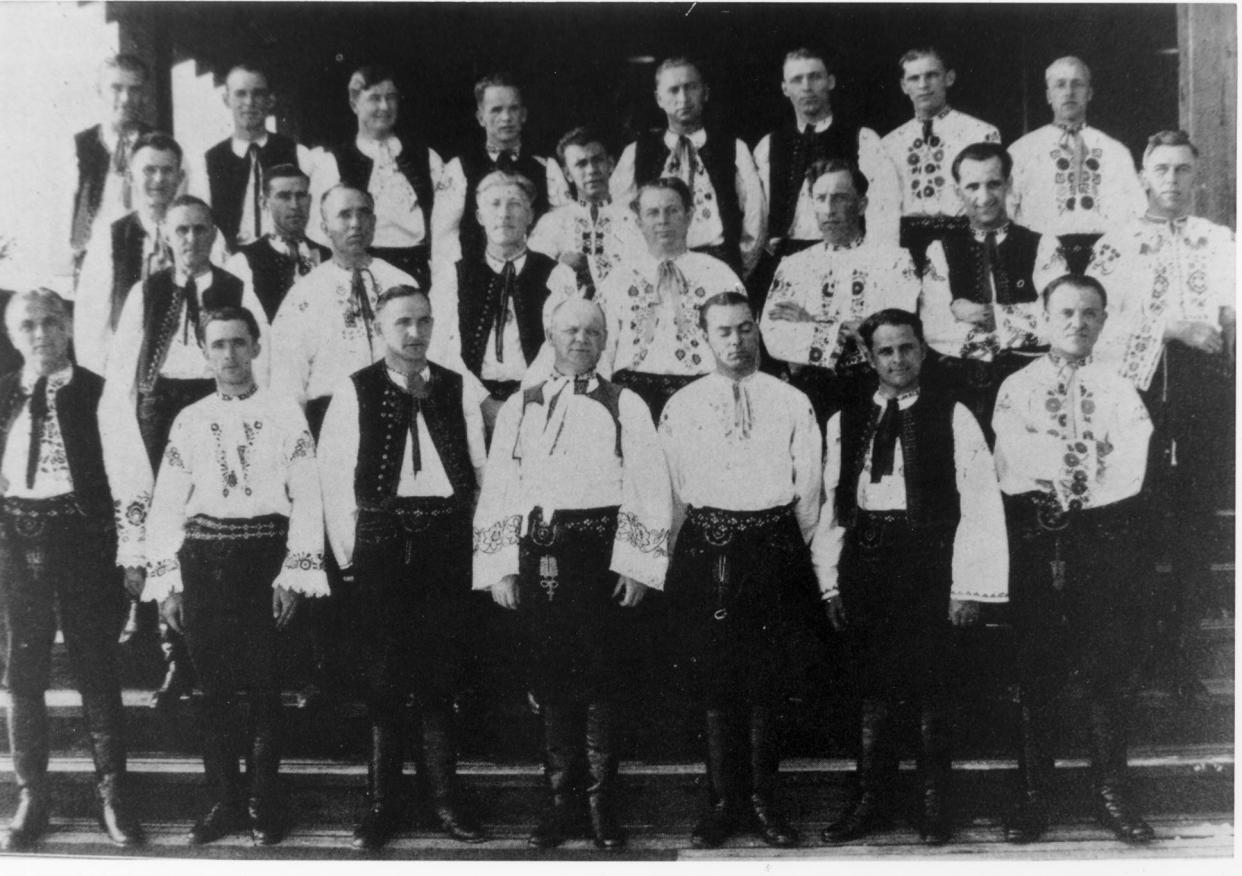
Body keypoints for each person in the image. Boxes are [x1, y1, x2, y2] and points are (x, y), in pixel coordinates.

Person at [474, 298, 671, 850]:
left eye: (592, 331)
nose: (580, 339)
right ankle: (562, 807)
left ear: (606, 339)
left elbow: (649, 484)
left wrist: (637, 564)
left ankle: (601, 807)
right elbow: (501, 489)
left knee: (603, 676)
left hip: (602, 555)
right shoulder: (521, 405)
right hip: (543, 555)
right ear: (549, 335)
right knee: (552, 675)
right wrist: (500, 568)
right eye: (569, 330)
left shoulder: (624, 403)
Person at [813, 308, 1007, 846]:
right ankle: (871, 800)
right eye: (885, 351)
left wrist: (969, 585)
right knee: (872, 684)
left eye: (906, 348)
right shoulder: (846, 420)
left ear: (923, 351)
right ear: (870, 358)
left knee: (929, 683)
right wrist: (829, 578)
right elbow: (833, 502)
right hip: (867, 560)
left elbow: (981, 500)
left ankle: (931, 803)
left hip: (929, 562)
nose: (897, 359)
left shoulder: (953, 414)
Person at [142, 306, 328, 846]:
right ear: (205, 352)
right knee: (214, 691)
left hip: (265, 562)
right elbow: (167, 505)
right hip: (204, 564)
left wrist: (295, 572)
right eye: (218, 344)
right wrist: (168, 581)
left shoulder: (284, 413)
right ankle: (224, 800)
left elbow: (308, 495)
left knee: (266, 689)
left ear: (255, 348)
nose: (229, 354)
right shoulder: (190, 419)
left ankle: (263, 802)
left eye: (238, 343)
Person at [318, 285, 488, 849]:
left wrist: (480, 547)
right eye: (402, 324)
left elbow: (480, 471)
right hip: (382, 545)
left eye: (422, 321)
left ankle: (445, 801)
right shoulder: (354, 390)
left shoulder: (456, 387)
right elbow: (336, 478)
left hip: (445, 539)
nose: (414, 334)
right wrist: (349, 558)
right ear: (381, 328)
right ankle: (381, 807)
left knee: (440, 676)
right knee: (385, 677)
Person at [992, 275, 1155, 844]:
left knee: (1107, 665)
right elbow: (1014, 456)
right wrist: (1078, 457)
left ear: (1104, 321)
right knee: (1037, 669)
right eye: (1065, 311)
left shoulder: (1120, 387)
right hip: (1041, 537)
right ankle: (1035, 796)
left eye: (1090, 313)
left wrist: (1069, 464)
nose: (1077, 323)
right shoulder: (1017, 385)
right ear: (1043, 316)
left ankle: (1111, 794)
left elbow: (1131, 456)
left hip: (1103, 537)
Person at [659, 292, 822, 849]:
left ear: (759, 331)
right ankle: (723, 801)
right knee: (717, 679)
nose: (736, 340)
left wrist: (772, 545)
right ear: (705, 337)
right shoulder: (682, 405)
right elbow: (674, 491)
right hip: (708, 550)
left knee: (766, 679)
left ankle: (763, 800)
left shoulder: (792, 401)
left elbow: (809, 494)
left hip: (772, 547)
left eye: (746, 328)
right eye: (724, 331)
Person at [99, 195, 269, 708]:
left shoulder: (237, 288)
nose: (191, 240)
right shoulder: (145, 291)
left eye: (200, 229)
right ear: (166, 236)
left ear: (214, 233)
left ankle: (222, 655)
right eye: (181, 231)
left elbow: (262, 357)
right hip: (160, 407)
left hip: (214, 401)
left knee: (211, 523)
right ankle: (176, 657)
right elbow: (123, 367)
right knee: (164, 523)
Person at [1087, 129, 1236, 699]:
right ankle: (1138, 657)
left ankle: (1185, 660)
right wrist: (1170, 327)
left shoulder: (1218, 240)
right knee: (1140, 527)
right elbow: (1094, 324)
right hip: (1139, 396)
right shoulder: (1117, 244)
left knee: (1196, 531)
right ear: (1144, 177)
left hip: (1205, 401)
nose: (1172, 180)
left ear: (1196, 177)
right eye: (1163, 170)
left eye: (1183, 170)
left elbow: (1232, 316)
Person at [0, 289, 143, 850]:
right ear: (13, 336)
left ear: (69, 327)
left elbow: (132, 478)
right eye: (28, 326)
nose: (41, 335)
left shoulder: (98, 394)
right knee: (23, 670)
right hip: (16, 542)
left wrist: (133, 554)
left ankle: (115, 799)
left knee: (95, 666)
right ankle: (33, 796)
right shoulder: (5, 394)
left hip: (83, 542)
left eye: (52, 323)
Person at [920, 142, 1067, 443]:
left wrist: (987, 316)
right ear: (957, 190)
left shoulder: (1044, 246)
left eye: (993, 184)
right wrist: (1021, 319)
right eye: (972, 186)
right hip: (959, 383)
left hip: (1029, 379)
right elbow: (933, 328)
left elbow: (1058, 320)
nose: (983, 197)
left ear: (1009, 185)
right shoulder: (940, 250)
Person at [760, 158, 919, 428]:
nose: (829, 209)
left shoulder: (894, 261)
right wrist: (851, 331)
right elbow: (775, 338)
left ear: (861, 204)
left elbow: (892, 334)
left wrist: (811, 324)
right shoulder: (793, 265)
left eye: (840, 197)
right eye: (821, 198)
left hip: (874, 392)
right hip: (809, 394)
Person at [428, 171, 576, 434]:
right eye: (494, 204)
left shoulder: (556, 274)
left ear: (530, 216)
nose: (504, 213)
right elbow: (441, 346)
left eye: (515, 204)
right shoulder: (454, 276)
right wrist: (482, 402)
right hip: (469, 403)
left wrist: (523, 401)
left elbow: (559, 345)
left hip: (537, 401)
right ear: (479, 217)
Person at [752, 47, 901, 306]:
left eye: (815, 77)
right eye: (797, 80)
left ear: (830, 82)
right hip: (783, 263)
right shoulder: (769, 145)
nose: (807, 86)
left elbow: (883, 214)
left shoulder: (862, 139)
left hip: (845, 259)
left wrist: (874, 267)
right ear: (785, 88)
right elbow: (756, 216)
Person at [270, 184, 417, 438]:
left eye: (363, 214)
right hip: (332, 425)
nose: (355, 223)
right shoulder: (304, 295)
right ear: (325, 227)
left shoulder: (401, 283)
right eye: (344, 215)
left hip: (398, 417)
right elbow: (288, 387)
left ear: (374, 221)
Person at [595, 178, 747, 421]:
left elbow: (739, 343)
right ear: (638, 222)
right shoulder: (618, 279)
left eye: (672, 211)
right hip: (633, 394)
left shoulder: (719, 275)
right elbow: (602, 348)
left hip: (701, 394)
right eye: (652, 213)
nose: (662, 220)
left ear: (688, 217)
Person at [74, 132, 225, 375]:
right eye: (149, 170)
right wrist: (109, 381)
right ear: (131, 176)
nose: (158, 179)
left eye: (167, 170)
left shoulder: (207, 235)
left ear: (180, 177)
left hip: (196, 371)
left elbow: (222, 306)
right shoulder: (109, 239)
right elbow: (90, 327)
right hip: (128, 373)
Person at [610, 57, 766, 278]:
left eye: (691, 87)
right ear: (659, 98)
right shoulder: (636, 153)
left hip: (719, 264)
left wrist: (737, 267)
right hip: (658, 266)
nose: (683, 98)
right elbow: (621, 217)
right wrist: (643, 263)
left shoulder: (733, 148)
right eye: (673, 90)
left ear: (705, 92)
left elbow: (754, 216)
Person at [1007, 57, 1146, 273]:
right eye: (1060, 84)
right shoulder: (1022, 150)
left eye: (1077, 84)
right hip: (1042, 258)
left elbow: (1137, 213)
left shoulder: (1115, 151)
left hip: (1103, 259)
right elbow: (1006, 212)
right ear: (1048, 95)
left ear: (1090, 93)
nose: (1069, 92)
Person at [309, 66, 441, 289]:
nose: (384, 106)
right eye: (374, 99)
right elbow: (319, 232)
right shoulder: (333, 162)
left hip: (420, 270)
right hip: (361, 272)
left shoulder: (425, 157)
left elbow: (443, 222)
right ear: (354, 104)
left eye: (391, 98)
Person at [881, 47, 1000, 271]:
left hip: (962, 236)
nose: (923, 85)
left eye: (932, 75)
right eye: (914, 78)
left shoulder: (980, 133)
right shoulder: (889, 143)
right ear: (904, 86)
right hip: (906, 242)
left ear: (949, 78)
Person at [432, 73, 564, 270]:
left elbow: (564, 224)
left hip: (535, 274)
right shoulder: (460, 168)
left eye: (513, 109)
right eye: (496, 110)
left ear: (524, 115)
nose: (506, 118)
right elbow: (444, 234)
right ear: (480, 117)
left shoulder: (545, 168)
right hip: (476, 276)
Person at [191, 64, 315, 251]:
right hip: (231, 264)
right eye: (240, 94)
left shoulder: (298, 154)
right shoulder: (208, 161)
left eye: (258, 94)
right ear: (227, 99)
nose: (249, 102)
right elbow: (201, 221)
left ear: (270, 100)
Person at [528, 127, 646, 299]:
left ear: (610, 164)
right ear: (568, 173)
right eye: (581, 164)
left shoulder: (634, 219)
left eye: (597, 160)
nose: (591, 170)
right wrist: (563, 266)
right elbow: (534, 275)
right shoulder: (553, 222)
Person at [66, 54, 152, 281]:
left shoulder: (160, 145)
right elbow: (66, 211)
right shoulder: (80, 146)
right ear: (99, 90)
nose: (125, 98)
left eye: (135, 90)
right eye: (116, 88)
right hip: (94, 263)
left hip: (147, 260)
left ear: (144, 95)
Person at [224, 164, 329, 322]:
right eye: (284, 196)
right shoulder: (242, 262)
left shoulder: (328, 256)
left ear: (309, 200)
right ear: (264, 202)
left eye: (300, 196)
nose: (294, 205)